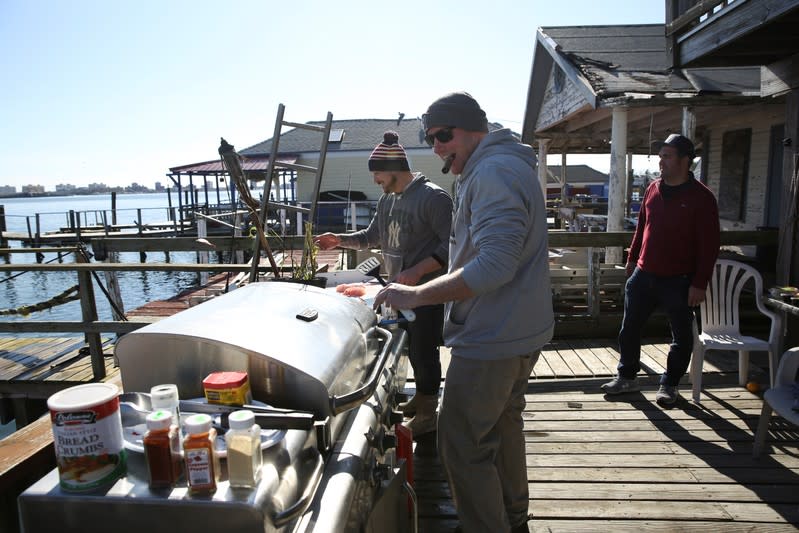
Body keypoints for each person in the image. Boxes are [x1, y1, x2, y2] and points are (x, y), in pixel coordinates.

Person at [373, 92, 553, 533]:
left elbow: (495, 265)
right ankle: (512, 518)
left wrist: (415, 295)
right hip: (521, 332)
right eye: (430, 138)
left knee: (462, 444)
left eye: (443, 135)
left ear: (475, 128)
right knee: (505, 429)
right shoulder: (504, 165)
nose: (436, 146)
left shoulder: (491, 173)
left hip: (492, 337)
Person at [314, 131, 452, 436]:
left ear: (394, 168)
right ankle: (422, 396)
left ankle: (430, 413)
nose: (375, 179)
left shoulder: (434, 198)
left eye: (377, 172)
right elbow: (370, 237)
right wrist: (340, 241)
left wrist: (417, 272)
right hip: (396, 292)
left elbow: (451, 246)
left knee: (425, 351)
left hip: (426, 292)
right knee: (407, 348)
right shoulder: (388, 199)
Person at [601, 133, 720, 406]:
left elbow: (710, 245)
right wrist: (632, 259)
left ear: (685, 160)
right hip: (644, 274)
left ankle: (669, 384)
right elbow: (642, 227)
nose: (661, 162)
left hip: (679, 280)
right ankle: (627, 377)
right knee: (629, 329)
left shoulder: (702, 198)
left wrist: (699, 283)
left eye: (667, 156)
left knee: (680, 336)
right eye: (660, 156)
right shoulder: (652, 188)